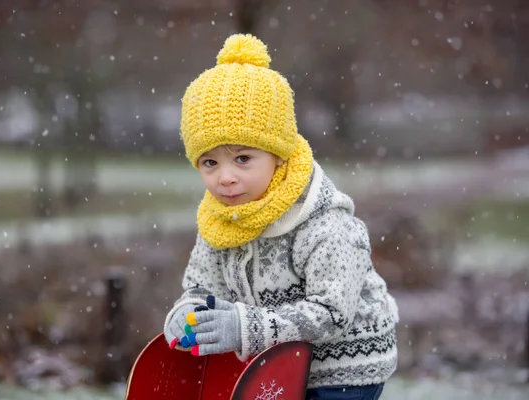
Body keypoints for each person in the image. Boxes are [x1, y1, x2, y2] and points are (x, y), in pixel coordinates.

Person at [162, 33, 399, 400]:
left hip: (343, 366)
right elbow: (202, 286)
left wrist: (243, 328)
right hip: (275, 362)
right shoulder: (220, 223)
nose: (225, 177)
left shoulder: (326, 225)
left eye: (242, 158)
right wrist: (189, 311)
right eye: (210, 162)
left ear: (278, 155)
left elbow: (332, 315)